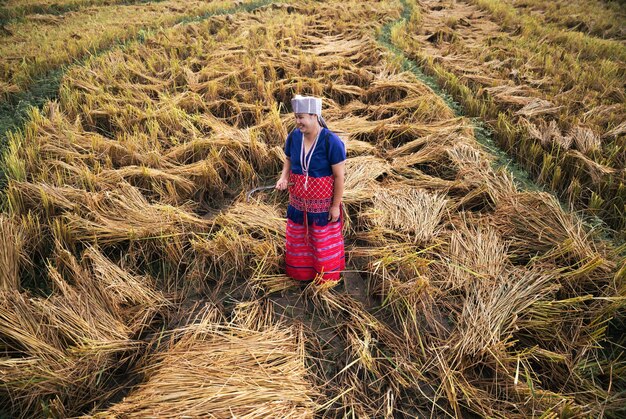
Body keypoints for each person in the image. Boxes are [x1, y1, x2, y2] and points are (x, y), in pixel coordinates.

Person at [276, 95, 346, 283]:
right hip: (298, 203)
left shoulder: (331, 142)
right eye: (296, 117)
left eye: (301, 117)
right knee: (299, 241)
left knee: (321, 242)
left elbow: (339, 177)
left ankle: (325, 279)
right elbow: (289, 159)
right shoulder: (294, 137)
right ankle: (301, 274)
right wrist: (284, 177)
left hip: (322, 207)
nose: (298, 122)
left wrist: (334, 206)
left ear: (315, 115)